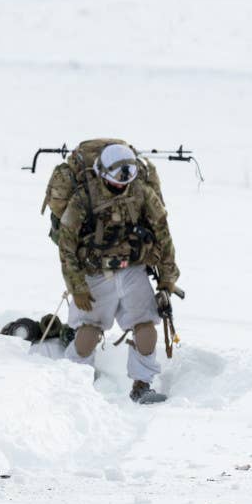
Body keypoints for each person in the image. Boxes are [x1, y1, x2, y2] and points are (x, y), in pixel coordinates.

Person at [56, 142, 180, 403]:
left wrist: (167, 281)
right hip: (96, 274)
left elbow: (163, 235)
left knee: (145, 327)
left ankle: (141, 385)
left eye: (127, 178)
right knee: (88, 333)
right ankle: (73, 386)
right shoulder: (84, 198)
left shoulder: (142, 193)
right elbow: (67, 243)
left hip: (131, 271)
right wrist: (77, 286)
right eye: (117, 178)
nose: (121, 184)